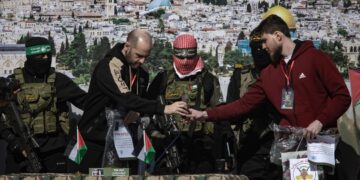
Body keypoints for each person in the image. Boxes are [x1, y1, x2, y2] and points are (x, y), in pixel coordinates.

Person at [188, 14, 351, 177]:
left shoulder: (316, 58)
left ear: (278, 36)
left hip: (322, 147)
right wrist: (205, 114)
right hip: (292, 152)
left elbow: (342, 97)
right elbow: (243, 104)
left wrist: (320, 121)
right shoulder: (269, 74)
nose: (263, 47)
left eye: (265, 41)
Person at [75, 29, 188, 173]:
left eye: (146, 57)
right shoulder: (108, 66)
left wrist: (139, 112)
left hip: (125, 141)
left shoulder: (142, 73)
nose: (142, 61)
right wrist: (164, 108)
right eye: (139, 55)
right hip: (93, 140)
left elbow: (139, 101)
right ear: (127, 47)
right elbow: (126, 97)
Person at [147, 34, 234, 174]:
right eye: (181, 57)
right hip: (167, 146)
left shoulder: (208, 80)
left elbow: (219, 114)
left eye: (189, 57)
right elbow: (147, 110)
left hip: (201, 148)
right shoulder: (162, 79)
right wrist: (157, 135)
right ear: (174, 55)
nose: (185, 61)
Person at [0, 37, 87, 173]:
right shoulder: (11, 83)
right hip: (19, 152)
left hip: (54, 150)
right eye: (41, 56)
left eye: (48, 54)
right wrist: (14, 143)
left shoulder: (59, 81)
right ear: (30, 56)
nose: (46, 58)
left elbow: (87, 102)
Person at [226, 27, 282, 179]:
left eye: (262, 47)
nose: (259, 51)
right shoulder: (241, 75)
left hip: (279, 143)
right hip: (250, 145)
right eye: (254, 48)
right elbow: (230, 109)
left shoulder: (284, 74)